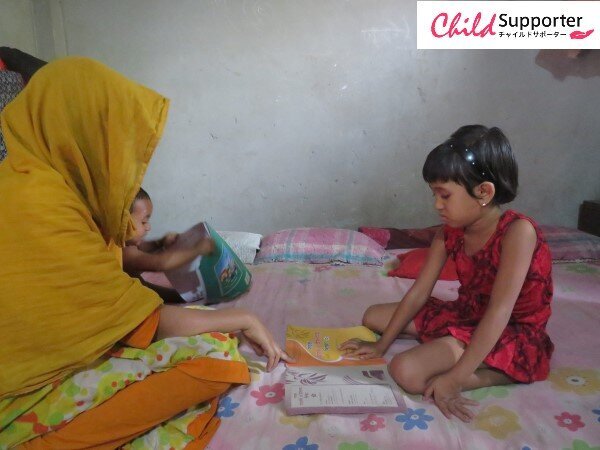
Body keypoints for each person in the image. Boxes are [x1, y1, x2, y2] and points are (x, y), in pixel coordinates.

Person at [0, 56, 291, 448]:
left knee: (214, 335)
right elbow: (139, 320)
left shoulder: (43, 186)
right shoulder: (40, 204)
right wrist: (241, 316)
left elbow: (109, 288)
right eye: (111, 140)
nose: (120, 161)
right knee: (217, 356)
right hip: (21, 389)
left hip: (47, 359)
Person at [341, 125, 553, 423]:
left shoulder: (518, 232)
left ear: (484, 192)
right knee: (373, 316)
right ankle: (455, 353)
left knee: (406, 371)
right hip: (468, 315)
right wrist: (381, 344)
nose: (437, 205)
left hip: (512, 331)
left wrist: (454, 380)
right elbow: (419, 292)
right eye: (434, 194)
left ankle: (492, 374)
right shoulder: (449, 233)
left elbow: (500, 311)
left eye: (444, 195)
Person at [123, 187, 214, 302]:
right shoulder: (123, 253)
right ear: (122, 221)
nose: (148, 227)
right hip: (130, 298)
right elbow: (160, 263)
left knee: (156, 291)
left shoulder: (127, 246)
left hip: (139, 287)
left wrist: (160, 243)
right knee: (151, 292)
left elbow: (142, 248)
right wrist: (197, 249)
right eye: (143, 222)